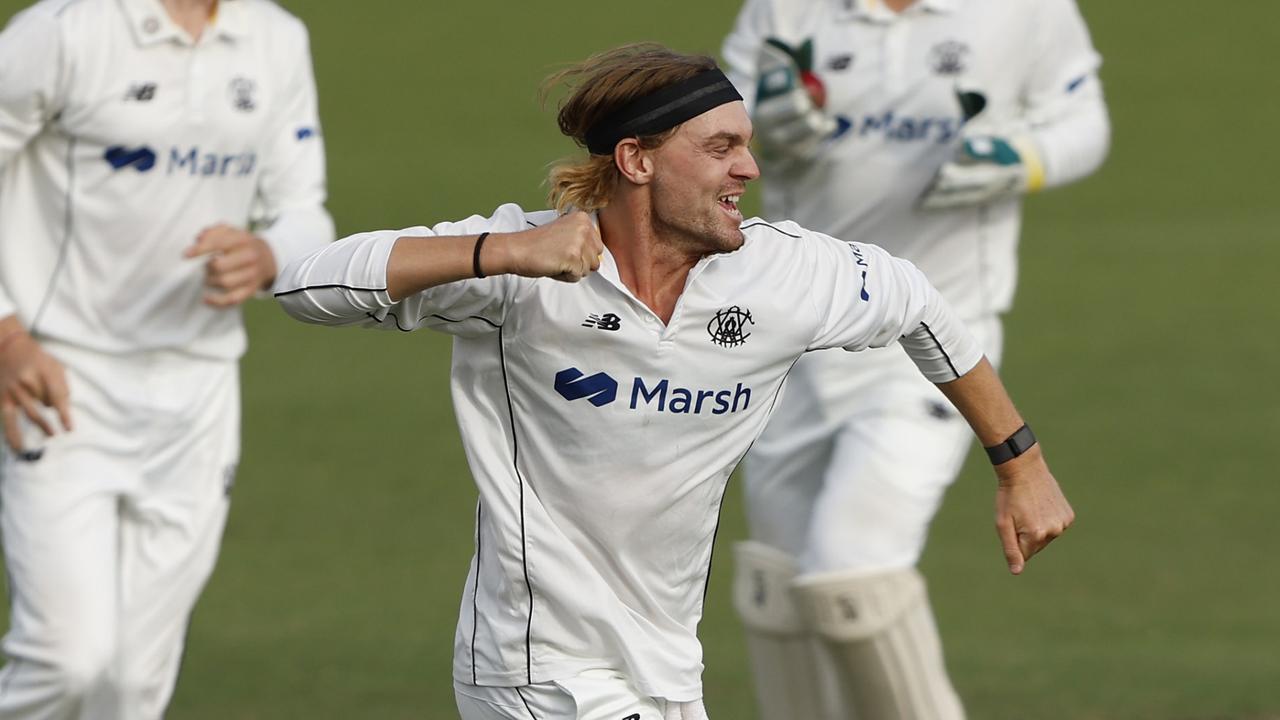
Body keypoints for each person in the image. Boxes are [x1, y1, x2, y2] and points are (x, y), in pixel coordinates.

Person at [273, 43, 1072, 720]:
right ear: (637, 159)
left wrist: (1021, 463)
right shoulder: (521, 263)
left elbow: (918, 306)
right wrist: (501, 253)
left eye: (747, 145)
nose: (750, 167)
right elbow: (305, 286)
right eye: (721, 147)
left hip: (665, 668)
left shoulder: (785, 276)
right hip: (535, 667)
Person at [720, 0, 1110, 717]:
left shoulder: (1026, 11)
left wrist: (1022, 159)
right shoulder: (784, 8)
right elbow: (714, 138)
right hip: (795, 329)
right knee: (778, 585)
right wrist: (767, 127)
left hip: (934, 342)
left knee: (851, 573)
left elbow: (1084, 125)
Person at [0, 0, 333, 716]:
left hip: (199, 389)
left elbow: (306, 211)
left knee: (133, 687)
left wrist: (268, 252)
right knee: (66, 661)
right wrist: (5, 336)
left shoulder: (275, 39)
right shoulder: (66, 31)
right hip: (62, 379)